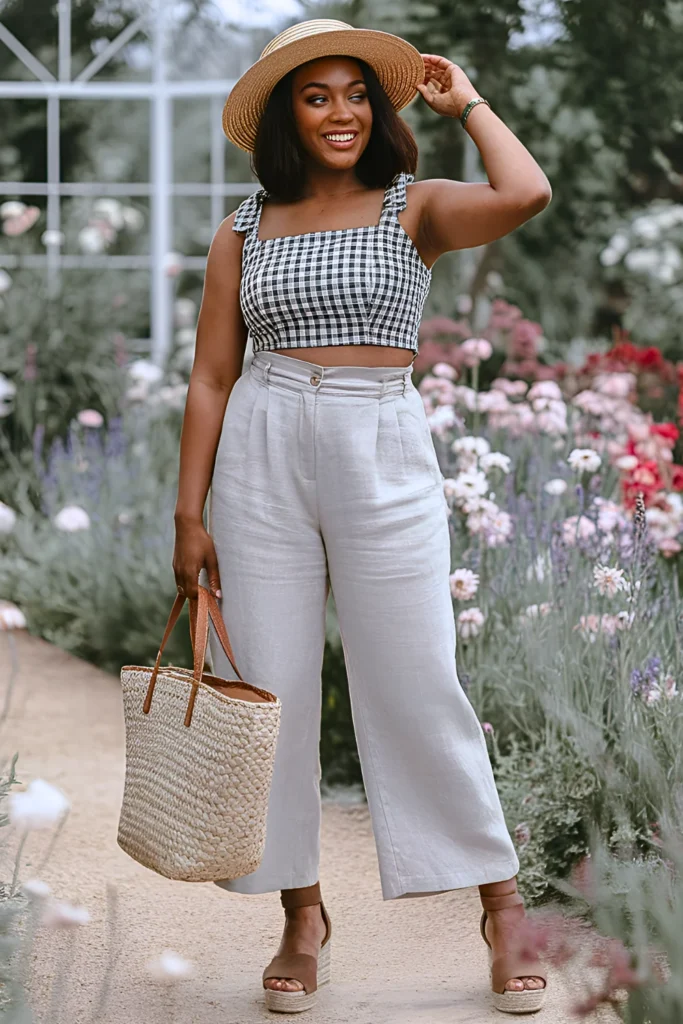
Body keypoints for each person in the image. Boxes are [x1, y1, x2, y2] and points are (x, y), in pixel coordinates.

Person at [173, 18, 551, 1016]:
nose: (339, 112)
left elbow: (524, 192)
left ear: (374, 109)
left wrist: (463, 102)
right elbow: (211, 376)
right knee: (273, 685)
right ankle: (302, 915)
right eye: (315, 96)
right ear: (285, 117)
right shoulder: (242, 229)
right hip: (261, 441)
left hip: (377, 438)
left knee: (417, 672)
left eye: (354, 94)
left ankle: (501, 902)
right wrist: (187, 511)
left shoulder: (411, 206)